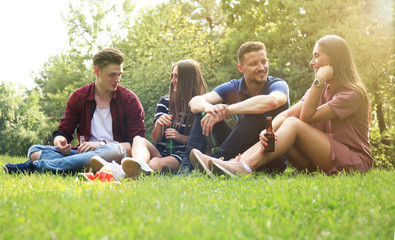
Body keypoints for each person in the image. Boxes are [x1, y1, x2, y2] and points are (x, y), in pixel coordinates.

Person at [194, 35, 373, 177]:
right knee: (283, 125)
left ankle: (245, 167)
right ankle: (237, 162)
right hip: (319, 158)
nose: (311, 62)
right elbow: (287, 114)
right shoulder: (321, 89)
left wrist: (317, 82)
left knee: (294, 124)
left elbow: (305, 117)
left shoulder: (352, 93)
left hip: (353, 161)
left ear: (335, 59)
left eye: (316, 56)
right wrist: (268, 130)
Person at [3, 48, 145, 175]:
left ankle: (37, 167)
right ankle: (79, 164)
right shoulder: (79, 97)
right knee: (34, 150)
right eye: (112, 75)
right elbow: (64, 131)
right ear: (97, 71)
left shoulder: (130, 100)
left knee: (113, 150)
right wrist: (60, 141)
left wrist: (101, 144)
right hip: (83, 153)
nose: (117, 80)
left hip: (114, 153)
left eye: (119, 74)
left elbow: (135, 145)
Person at [180, 41, 290, 176]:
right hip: (240, 148)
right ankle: (187, 168)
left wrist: (226, 110)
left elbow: (272, 101)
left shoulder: (278, 84)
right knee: (204, 112)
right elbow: (195, 102)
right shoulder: (233, 86)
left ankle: (214, 160)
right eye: (254, 64)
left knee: (256, 114)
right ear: (241, 68)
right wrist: (210, 109)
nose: (261, 67)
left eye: (264, 62)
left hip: (269, 154)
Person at [100, 59, 209, 178]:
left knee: (156, 162)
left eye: (176, 77)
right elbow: (156, 139)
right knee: (138, 139)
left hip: (180, 157)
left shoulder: (200, 107)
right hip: (160, 152)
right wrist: (159, 125)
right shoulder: (165, 102)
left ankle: (118, 173)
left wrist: (181, 138)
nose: (172, 81)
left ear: (188, 80)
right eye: (172, 76)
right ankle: (138, 164)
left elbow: (202, 145)